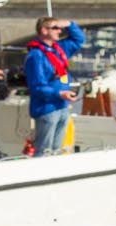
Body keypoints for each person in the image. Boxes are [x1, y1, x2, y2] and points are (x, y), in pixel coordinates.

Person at [24, 16, 84, 157]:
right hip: (47, 110)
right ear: (44, 30)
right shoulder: (36, 56)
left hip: (62, 107)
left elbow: (78, 40)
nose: (60, 31)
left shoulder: (59, 49)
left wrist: (70, 24)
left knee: (57, 151)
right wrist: (59, 94)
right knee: (44, 151)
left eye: (60, 28)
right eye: (55, 28)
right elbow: (37, 86)